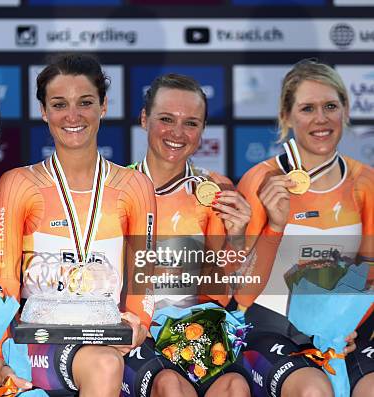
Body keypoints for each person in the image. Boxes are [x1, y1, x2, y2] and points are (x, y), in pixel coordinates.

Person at [0, 53, 157, 397]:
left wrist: (139, 325)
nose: (72, 116)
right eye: (59, 104)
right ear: (44, 112)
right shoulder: (18, 183)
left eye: (85, 102)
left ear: (104, 106)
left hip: (108, 339)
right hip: (38, 341)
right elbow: (3, 283)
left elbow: (145, 276)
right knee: (105, 365)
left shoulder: (135, 186)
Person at [236, 59, 372, 397]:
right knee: (313, 390)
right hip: (267, 330)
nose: (321, 118)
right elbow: (238, 289)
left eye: (330, 106)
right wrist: (274, 227)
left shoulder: (365, 182)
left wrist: (352, 328)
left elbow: (369, 274)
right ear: (286, 116)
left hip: (345, 333)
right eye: (307, 108)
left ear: (345, 110)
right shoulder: (260, 180)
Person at [124, 73, 258, 397]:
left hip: (194, 333)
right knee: (170, 386)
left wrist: (237, 237)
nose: (177, 133)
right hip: (134, 335)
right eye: (166, 119)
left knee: (235, 387)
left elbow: (221, 292)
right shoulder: (116, 188)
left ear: (202, 130)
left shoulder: (213, 190)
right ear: (144, 119)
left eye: (191, 123)